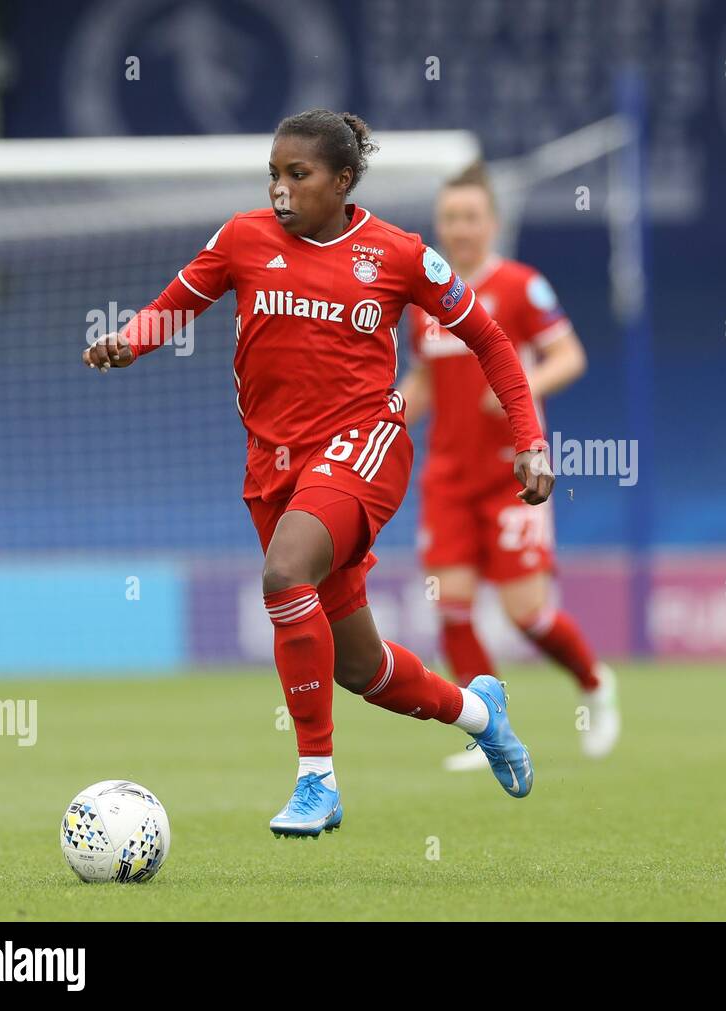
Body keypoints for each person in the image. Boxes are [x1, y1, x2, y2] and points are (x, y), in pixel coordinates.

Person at [82, 110, 553, 836]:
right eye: (273, 174)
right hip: (273, 465)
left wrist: (528, 439)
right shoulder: (242, 238)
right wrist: (128, 341)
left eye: (296, 176)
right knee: (360, 667)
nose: (279, 189)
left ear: (342, 181)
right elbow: (176, 305)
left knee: (282, 572)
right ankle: (482, 713)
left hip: (365, 446)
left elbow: (488, 338)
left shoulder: (398, 254)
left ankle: (316, 781)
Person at [398, 162, 620, 770]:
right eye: (450, 218)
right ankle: (488, 728)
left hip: (511, 475)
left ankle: (596, 684)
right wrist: (391, 413)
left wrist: (522, 384)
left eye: (471, 217)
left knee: (527, 614)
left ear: (491, 222)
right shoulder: (426, 298)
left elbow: (569, 356)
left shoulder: (521, 286)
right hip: (447, 475)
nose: (460, 228)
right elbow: (424, 375)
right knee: (451, 605)